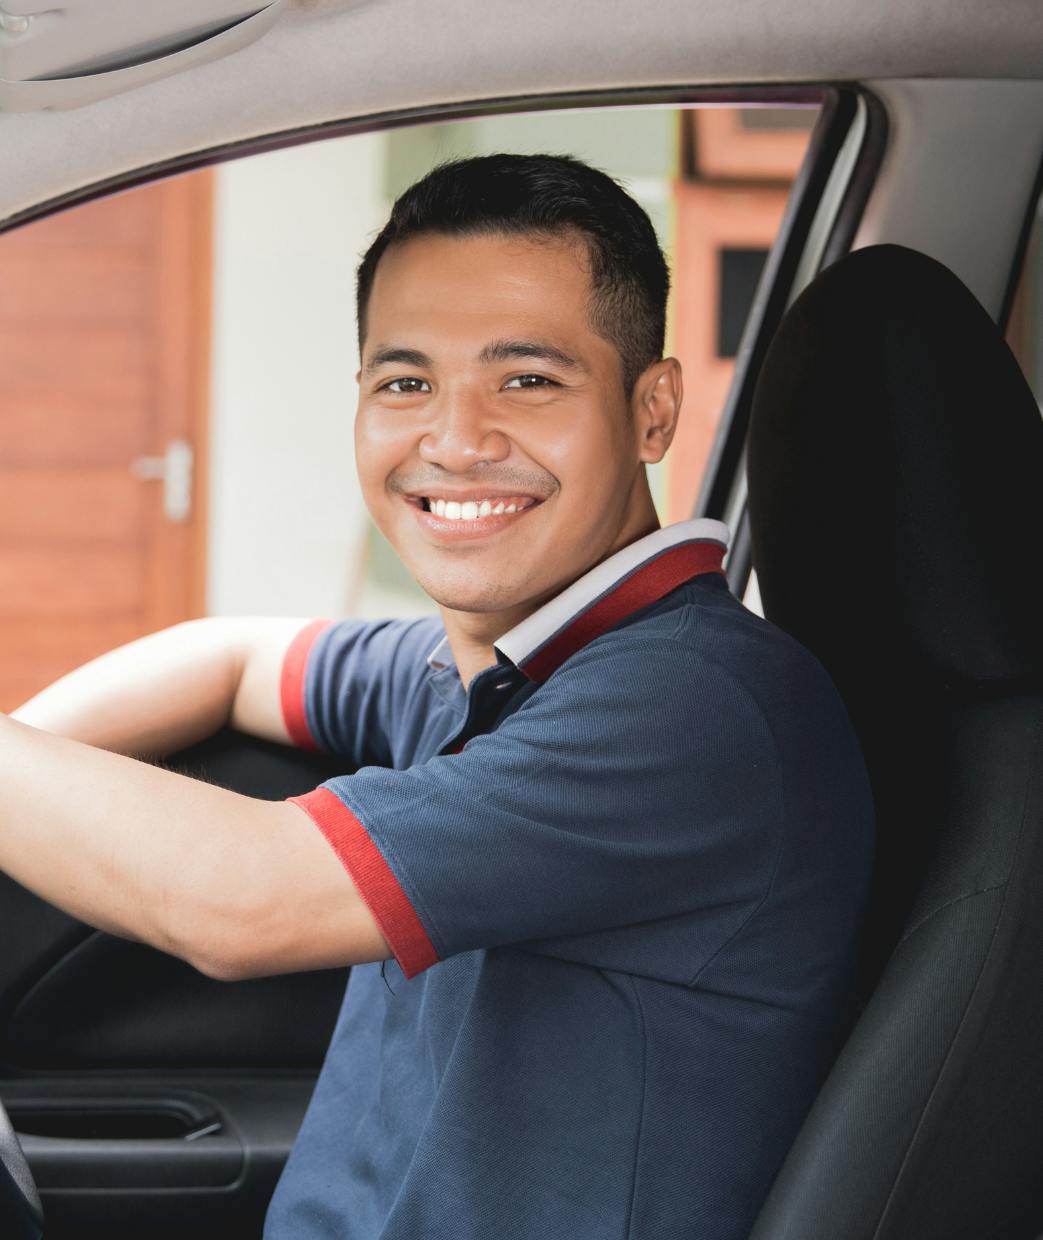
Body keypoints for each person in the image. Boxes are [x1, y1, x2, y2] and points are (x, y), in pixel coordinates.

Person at [2, 154, 874, 1239]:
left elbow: (232, 899)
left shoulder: (693, 707)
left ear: (651, 413)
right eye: (405, 383)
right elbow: (230, 658)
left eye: (528, 380)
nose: (456, 443)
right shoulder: (484, 661)